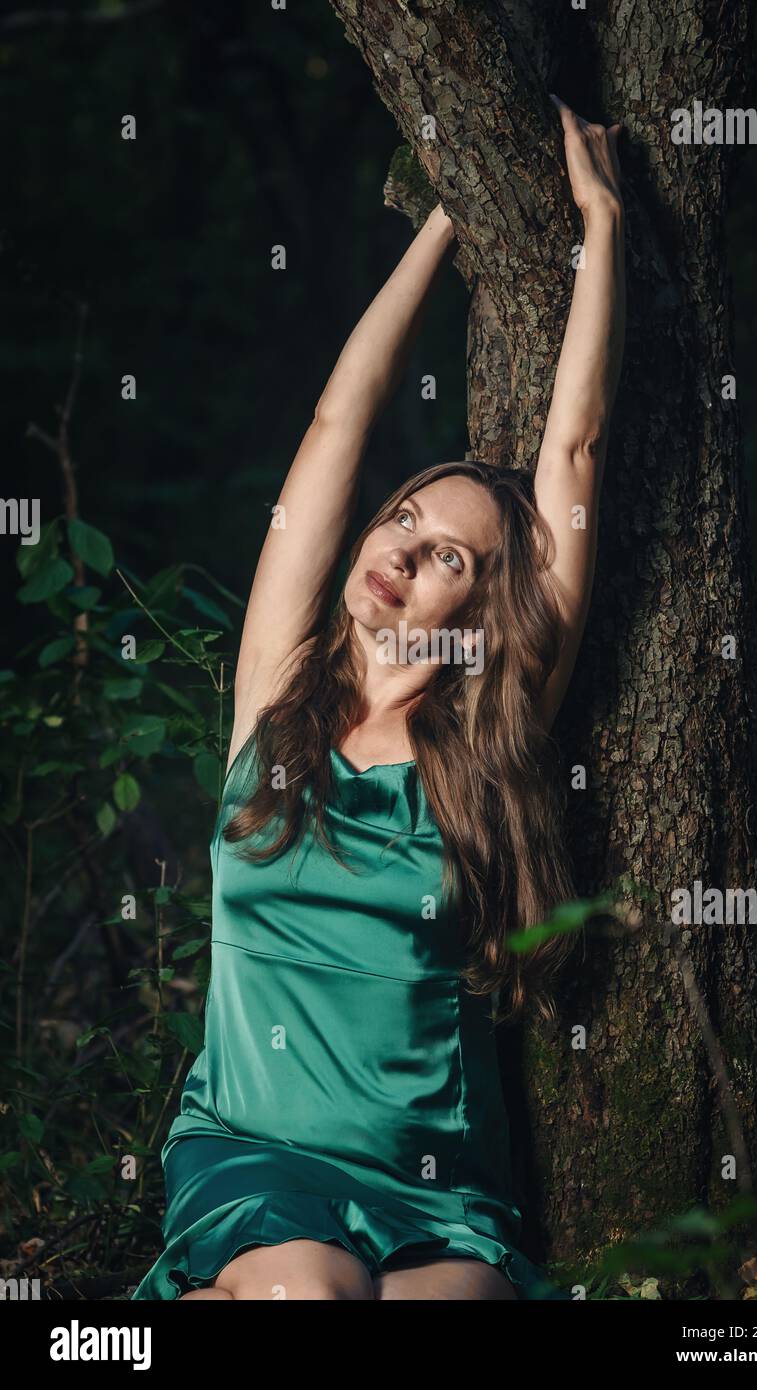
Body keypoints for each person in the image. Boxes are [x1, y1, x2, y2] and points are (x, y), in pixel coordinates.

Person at [131, 96, 625, 1301]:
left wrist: (602, 223)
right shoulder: (275, 693)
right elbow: (339, 417)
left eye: (448, 554)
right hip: (254, 1152)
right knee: (309, 1291)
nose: (404, 548)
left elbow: (571, 456)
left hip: (436, 1181)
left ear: (483, 608)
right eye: (405, 515)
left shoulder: (491, 734)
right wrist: (452, 211)